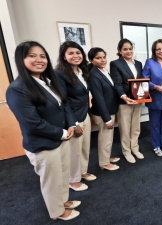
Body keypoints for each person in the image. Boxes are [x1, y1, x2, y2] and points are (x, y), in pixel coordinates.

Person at [6, 41, 80, 220]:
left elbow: (63, 105)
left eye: (42, 56)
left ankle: (62, 201)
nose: (39, 60)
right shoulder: (17, 89)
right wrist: (62, 132)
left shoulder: (46, 81)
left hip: (60, 138)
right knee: (51, 180)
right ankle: (57, 212)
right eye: (32, 56)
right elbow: (33, 123)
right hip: (43, 144)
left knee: (61, 175)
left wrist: (71, 125)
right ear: (20, 59)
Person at [55, 41, 95, 192]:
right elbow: (63, 101)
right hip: (73, 118)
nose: (75, 56)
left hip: (84, 113)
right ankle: (73, 180)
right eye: (70, 53)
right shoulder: (60, 73)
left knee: (85, 147)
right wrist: (73, 123)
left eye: (78, 52)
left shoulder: (81, 70)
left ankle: (83, 171)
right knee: (74, 151)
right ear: (64, 57)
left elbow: (85, 90)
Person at [110, 39, 144, 163]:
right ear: (120, 51)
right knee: (125, 128)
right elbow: (117, 83)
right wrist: (124, 96)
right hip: (124, 101)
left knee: (136, 127)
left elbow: (141, 81)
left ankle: (135, 148)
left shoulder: (139, 63)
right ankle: (127, 151)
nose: (128, 51)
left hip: (138, 100)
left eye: (130, 48)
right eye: (125, 49)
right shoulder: (115, 64)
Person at [88, 47, 120, 170]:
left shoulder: (102, 70)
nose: (102, 60)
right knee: (104, 138)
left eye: (104, 57)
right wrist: (107, 119)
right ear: (91, 60)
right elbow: (98, 98)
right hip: (103, 112)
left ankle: (106, 157)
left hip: (109, 109)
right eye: (98, 58)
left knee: (108, 137)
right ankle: (104, 163)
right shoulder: (94, 75)